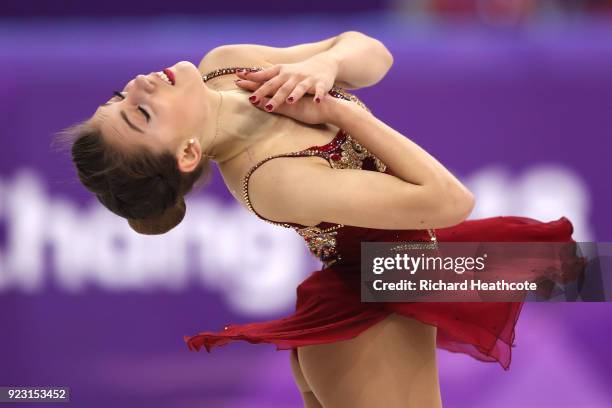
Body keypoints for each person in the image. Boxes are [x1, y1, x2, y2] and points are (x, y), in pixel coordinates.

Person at [58, 31, 583, 408]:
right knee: (575, 271)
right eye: (141, 114)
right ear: (189, 153)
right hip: (374, 305)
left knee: (581, 272)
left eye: (121, 97)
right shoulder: (269, 179)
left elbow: (374, 53)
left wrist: (326, 66)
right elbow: (450, 199)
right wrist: (342, 112)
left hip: (421, 264)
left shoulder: (227, 65)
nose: (139, 86)